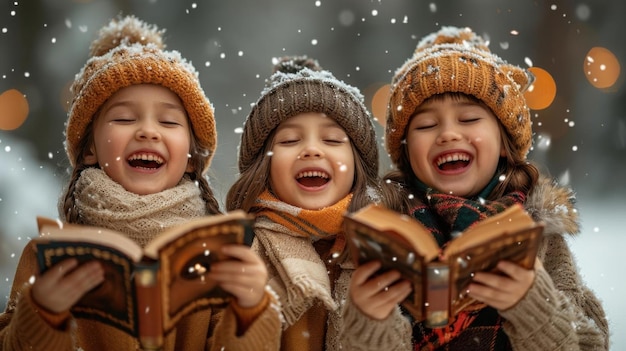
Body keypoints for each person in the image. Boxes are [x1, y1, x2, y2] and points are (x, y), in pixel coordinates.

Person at [0, 15, 280, 351]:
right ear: (90, 149)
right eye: (124, 118)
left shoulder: (223, 255)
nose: (148, 131)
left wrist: (251, 311)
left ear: (191, 155)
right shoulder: (49, 257)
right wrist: (41, 313)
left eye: (168, 120)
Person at [342, 26, 610, 350]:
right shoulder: (384, 235)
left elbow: (589, 343)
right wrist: (369, 320)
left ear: (503, 143)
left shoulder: (539, 238)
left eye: (468, 119)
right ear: (405, 152)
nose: (448, 134)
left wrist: (532, 306)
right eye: (426, 125)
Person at [225, 55, 381, 350]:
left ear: (358, 164)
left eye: (333, 140)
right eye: (289, 141)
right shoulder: (242, 248)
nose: (311, 150)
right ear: (264, 167)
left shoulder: (380, 248)